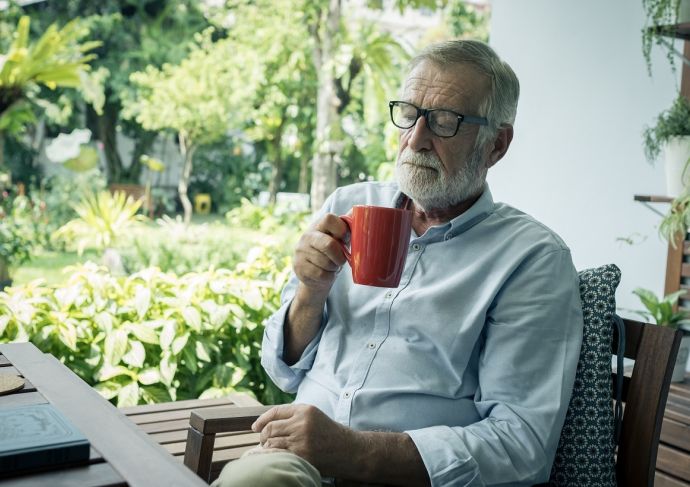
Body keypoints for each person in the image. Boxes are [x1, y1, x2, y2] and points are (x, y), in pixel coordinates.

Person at [213, 39, 584, 487]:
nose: (416, 139)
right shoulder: (349, 206)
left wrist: (354, 452)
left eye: (445, 122)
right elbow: (283, 371)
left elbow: (521, 446)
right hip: (294, 464)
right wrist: (310, 292)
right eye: (409, 114)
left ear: (496, 145)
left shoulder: (530, 258)